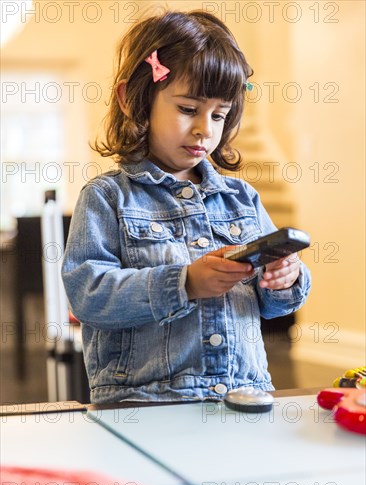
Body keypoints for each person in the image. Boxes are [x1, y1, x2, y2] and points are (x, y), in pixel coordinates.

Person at [62, 10, 311, 404]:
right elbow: (88, 295)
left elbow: (272, 306)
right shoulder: (107, 197)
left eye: (219, 114)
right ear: (133, 100)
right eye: (187, 109)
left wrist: (284, 278)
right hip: (146, 402)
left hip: (242, 395)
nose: (205, 130)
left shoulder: (242, 198)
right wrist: (183, 284)